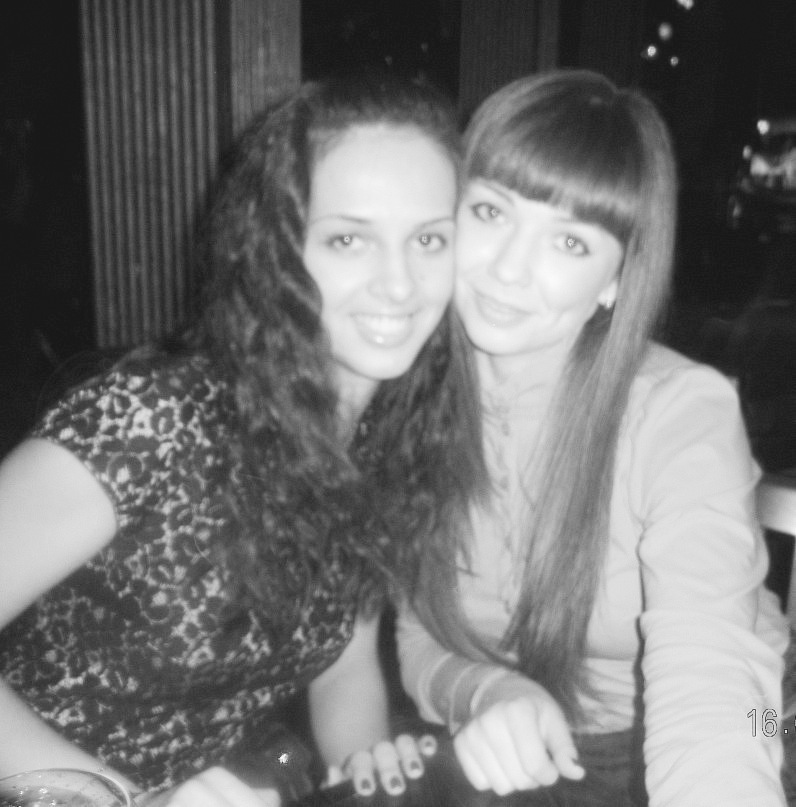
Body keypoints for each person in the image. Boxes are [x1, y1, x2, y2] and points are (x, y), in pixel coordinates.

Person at [0, 74, 482, 807]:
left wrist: (371, 778)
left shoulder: (385, 446)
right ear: (277, 252)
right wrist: (124, 799)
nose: (400, 283)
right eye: (348, 239)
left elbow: (343, 669)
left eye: (428, 240)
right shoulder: (155, 420)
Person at [397, 69, 791, 806]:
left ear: (615, 280)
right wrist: (487, 690)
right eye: (491, 210)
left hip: (754, 713)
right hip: (536, 741)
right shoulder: (406, 399)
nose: (509, 268)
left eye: (570, 243)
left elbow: (715, 674)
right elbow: (418, 633)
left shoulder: (680, 412)